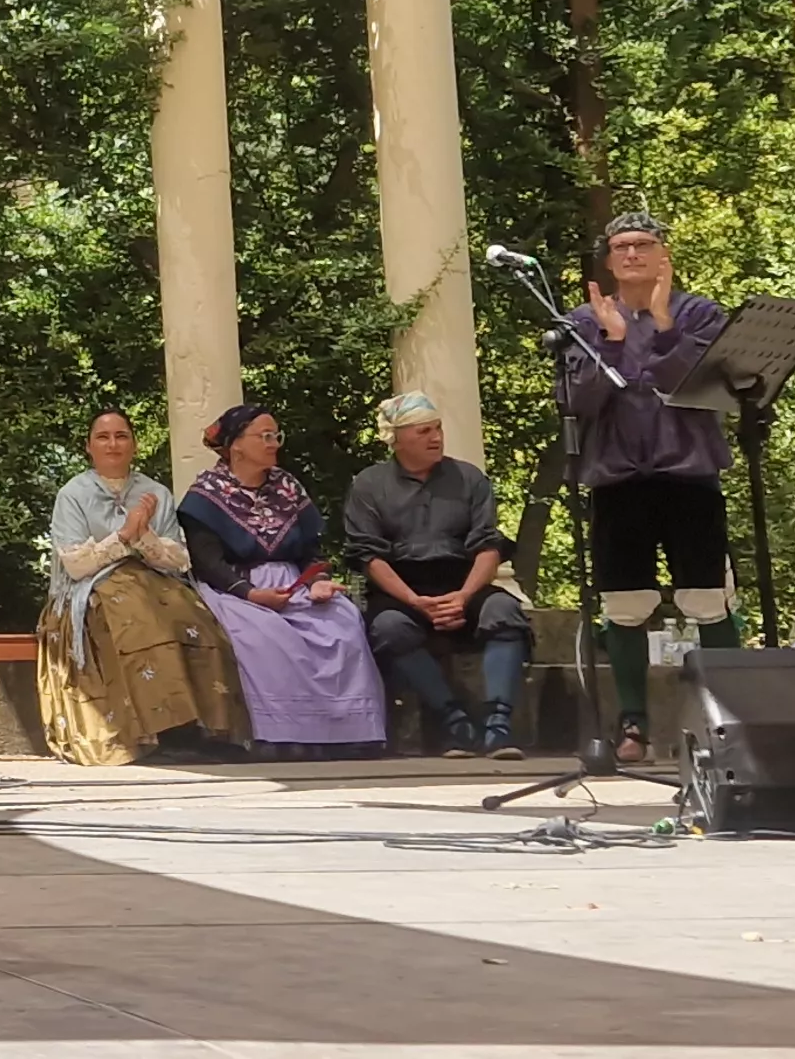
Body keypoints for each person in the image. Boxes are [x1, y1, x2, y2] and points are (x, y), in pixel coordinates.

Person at [558, 211, 743, 763]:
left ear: (664, 254)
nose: (632, 254)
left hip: (689, 474)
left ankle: (725, 722)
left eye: (643, 244)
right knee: (625, 602)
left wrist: (664, 329)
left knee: (708, 598)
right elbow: (577, 402)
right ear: (608, 260)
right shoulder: (582, 321)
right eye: (621, 246)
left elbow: (691, 386)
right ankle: (632, 725)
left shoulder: (700, 314)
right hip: (618, 477)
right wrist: (612, 342)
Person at [177, 405, 388, 758]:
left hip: (294, 582)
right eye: (265, 436)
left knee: (343, 623)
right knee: (266, 636)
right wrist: (252, 594)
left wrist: (317, 580)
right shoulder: (204, 496)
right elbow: (208, 563)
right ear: (236, 445)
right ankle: (282, 736)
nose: (274, 443)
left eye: (276, 435)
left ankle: (351, 732)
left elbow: (309, 549)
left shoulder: (287, 486)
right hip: (236, 588)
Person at [36, 409, 244, 765]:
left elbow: (179, 559)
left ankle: (207, 728)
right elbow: (76, 564)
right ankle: (161, 731)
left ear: (134, 444)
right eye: (103, 437)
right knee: (138, 619)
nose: (113, 444)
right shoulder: (73, 494)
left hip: (154, 581)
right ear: (89, 447)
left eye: (121, 436)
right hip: (94, 588)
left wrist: (144, 533)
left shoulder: (153, 491)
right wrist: (124, 535)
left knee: (197, 617)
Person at [342, 391, 531, 759]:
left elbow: (488, 546)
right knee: (388, 628)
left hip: (464, 581)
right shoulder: (369, 484)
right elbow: (367, 556)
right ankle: (455, 723)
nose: (436, 438)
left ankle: (498, 728)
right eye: (423, 431)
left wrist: (463, 596)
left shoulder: (469, 478)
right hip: (401, 588)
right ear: (396, 440)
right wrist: (415, 601)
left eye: (438, 428)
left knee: (505, 613)